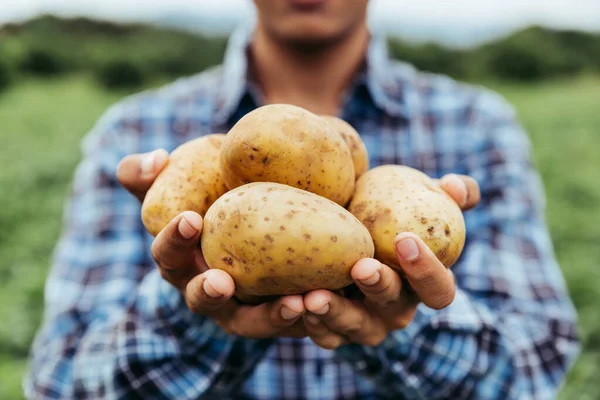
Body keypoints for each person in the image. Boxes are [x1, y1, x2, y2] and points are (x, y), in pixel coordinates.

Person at [24, 0, 580, 399]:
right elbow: (62, 380)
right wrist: (190, 315)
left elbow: (535, 367)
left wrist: (403, 327)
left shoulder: (478, 126)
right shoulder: (136, 133)